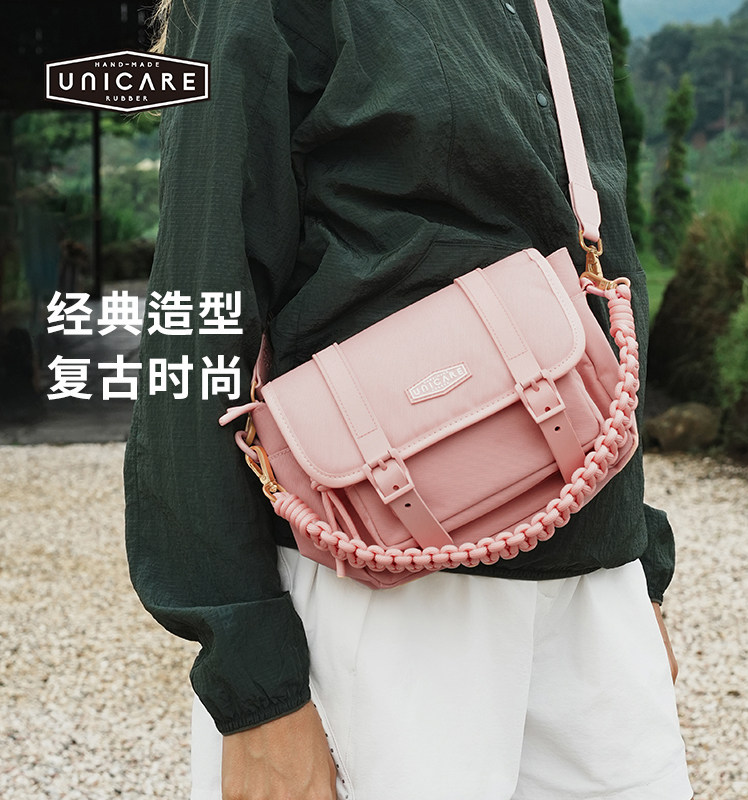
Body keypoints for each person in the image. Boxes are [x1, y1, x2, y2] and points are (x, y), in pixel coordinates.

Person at [124, 0, 693, 798]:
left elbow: (601, 276)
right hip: (382, 589)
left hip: (591, 587)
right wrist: (253, 684)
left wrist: (638, 563)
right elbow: (199, 308)